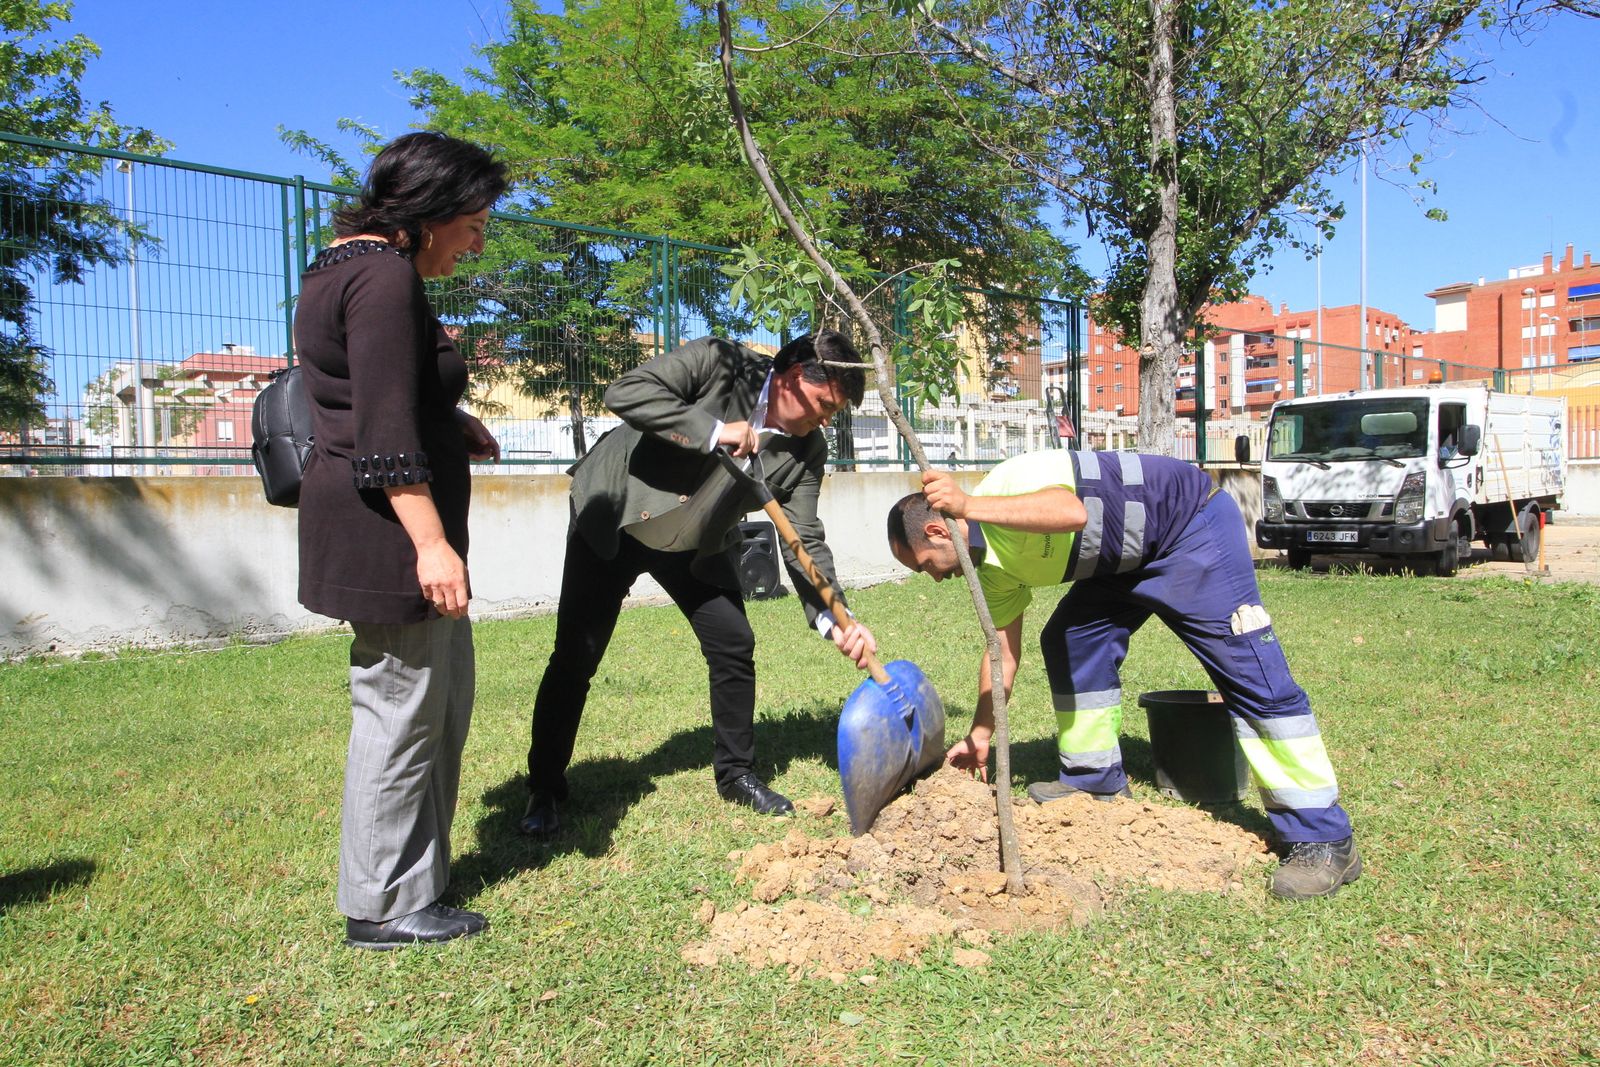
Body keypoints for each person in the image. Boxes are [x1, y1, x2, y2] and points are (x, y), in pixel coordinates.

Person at [886, 450, 1361, 900]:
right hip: (1123, 561)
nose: (934, 578)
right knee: (1073, 638)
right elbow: (1002, 655)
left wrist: (969, 505)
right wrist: (981, 733)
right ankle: (1093, 779)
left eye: (926, 565)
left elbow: (1071, 512)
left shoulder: (1010, 482)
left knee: (1247, 664)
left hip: (1189, 528)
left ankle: (1323, 837)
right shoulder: (991, 574)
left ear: (938, 530)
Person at [520, 331, 876, 837]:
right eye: (824, 406)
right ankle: (544, 787)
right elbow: (625, 392)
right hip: (617, 518)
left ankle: (737, 775)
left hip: (694, 546)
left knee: (734, 644)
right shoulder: (720, 363)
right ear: (796, 378)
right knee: (577, 654)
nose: (824, 422)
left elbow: (803, 537)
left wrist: (836, 615)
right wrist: (713, 430)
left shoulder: (807, 450)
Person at [295, 132, 508, 948]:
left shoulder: (341, 266)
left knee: (435, 700)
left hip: (380, 523)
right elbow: (380, 432)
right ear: (430, 211)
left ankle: (415, 879)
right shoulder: (383, 276)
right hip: (389, 534)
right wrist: (431, 544)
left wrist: (452, 419)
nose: (477, 244)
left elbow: (366, 390)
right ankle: (382, 904)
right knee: (399, 708)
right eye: (473, 225)